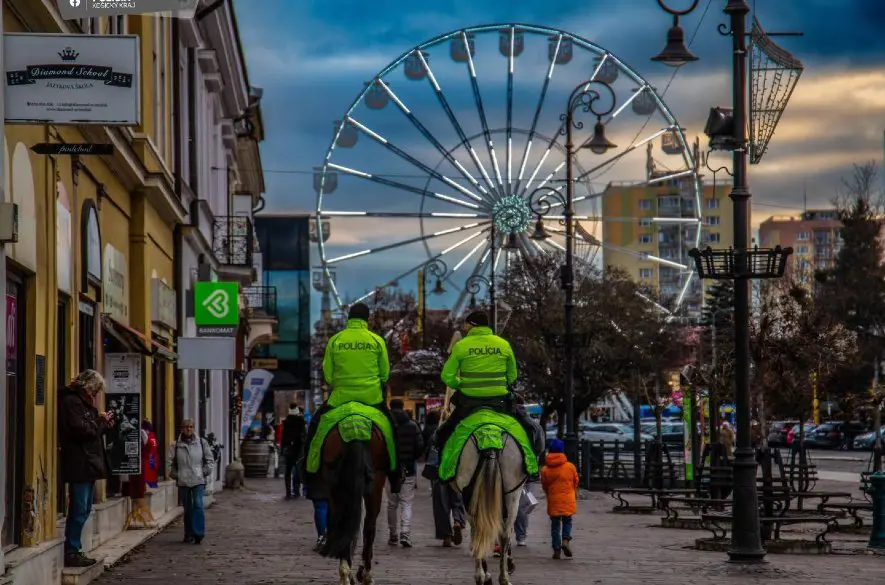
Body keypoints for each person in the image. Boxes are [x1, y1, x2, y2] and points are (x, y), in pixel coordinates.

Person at [304, 302, 402, 492]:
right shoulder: (376, 340)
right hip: (372, 400)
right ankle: (396, 474)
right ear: (368, 319)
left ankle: (309, 472)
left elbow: (328, 376)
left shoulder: (336, 340)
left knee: (315, 428)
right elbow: (385, 374)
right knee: (392, 429)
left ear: (349, 318)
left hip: (340, 399)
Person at [435, 310, 540, 456]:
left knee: (444, 433)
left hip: (468, 402)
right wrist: (497, 385)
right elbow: (512, 376)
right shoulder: (503, 345)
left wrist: (460, 384)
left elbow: (447, 376)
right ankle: (532, 464)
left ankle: (436, 467)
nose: (464, 329)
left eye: (466, 325)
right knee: (527, 428)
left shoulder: (461, 346)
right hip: (500, 401)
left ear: (473, 325)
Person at [58, 370, 114, 568]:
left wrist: (102, 424)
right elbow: (83, 431)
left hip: (86, 463)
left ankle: (76, 548)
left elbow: (90, 430)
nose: (96, 395)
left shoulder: (82, 404)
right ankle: (72, 551)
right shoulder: (72, 403)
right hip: (80, 463)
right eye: (96, 390)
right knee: (79, 508)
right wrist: (99, 422)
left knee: (84, 508)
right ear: (88, 387)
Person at [168, 419, 215, 544]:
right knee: (187, 508)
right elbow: (169, 462)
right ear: (182, 428)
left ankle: (198, 533)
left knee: (198, 505)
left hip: (198, 479)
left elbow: (210, 460)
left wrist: (204, 471)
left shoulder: (201, 442)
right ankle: (188, 533)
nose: (189, 429)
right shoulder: (175, 445)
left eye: (191, 427)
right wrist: (175, 474)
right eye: (186, 427)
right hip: (183, 480)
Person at [386, 399, 424, 547]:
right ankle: (405, 534)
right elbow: (420, 446)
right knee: (406, 503)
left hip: (390, 469)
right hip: (408, 469)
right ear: (402, 407)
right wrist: (411, 458)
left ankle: (393, 534)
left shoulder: (386, 424)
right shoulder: (412, 425)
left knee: (391, 504)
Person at [541, 439, 578, 560]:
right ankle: (566, 540)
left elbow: (544, 485)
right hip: (568, 499)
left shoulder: (545, 469)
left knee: (555, 525)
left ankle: (556, 549)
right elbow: (576, 482)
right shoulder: (570, 467)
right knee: (567, 521)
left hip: (553, 500)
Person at [281, 403, 306, 498]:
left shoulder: (286, 422)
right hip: (299, 449)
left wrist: (283, 449)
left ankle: (288, 492)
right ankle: (297, 491)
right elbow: (304, 436)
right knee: (298, 470)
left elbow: (283, 437)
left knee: (288, 471)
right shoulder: (301, 422)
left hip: (288, 449)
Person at [141, 420, 159, 489]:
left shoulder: (147, 436)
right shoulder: (153, 436)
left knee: (147, 488)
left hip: (148, 462)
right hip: (153, 462)